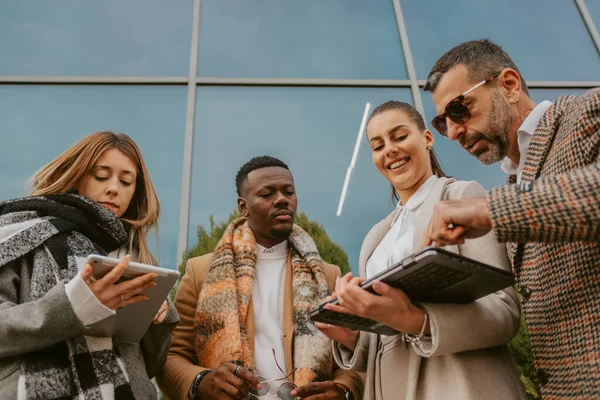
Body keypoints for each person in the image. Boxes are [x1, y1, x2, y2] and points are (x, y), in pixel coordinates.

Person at [421, 39, 600, 398]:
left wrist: (490, 209)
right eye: (443, 123)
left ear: (509, 85)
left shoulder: (588, 112)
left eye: (460, 109)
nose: (453, 132)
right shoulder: (515, 180)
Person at [316, 101, 525, 400]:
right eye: (378, 145)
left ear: (427, 138)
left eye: (399, 137)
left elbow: (504, 313)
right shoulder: (375, 238)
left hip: (457, 386)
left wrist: (418, 320)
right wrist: (350, 334)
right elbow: (385, 337)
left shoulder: (462, 197)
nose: (389, 149)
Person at [156, 156, 364, 400]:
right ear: (243, 206)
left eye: (289, 192)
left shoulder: (327, 275)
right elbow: (171, 356)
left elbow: (356, 354)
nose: (282, 199)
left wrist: (344, 391)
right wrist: (202, 381)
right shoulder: (200, 272)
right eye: (267, 194)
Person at [0, 131, 179, 400]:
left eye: (126, 181)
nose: (114, 188)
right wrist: (74, 304)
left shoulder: (136, 258)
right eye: (101, 176)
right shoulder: (18, 235)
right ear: (76, 174)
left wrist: (159, 319)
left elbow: (149, 367)